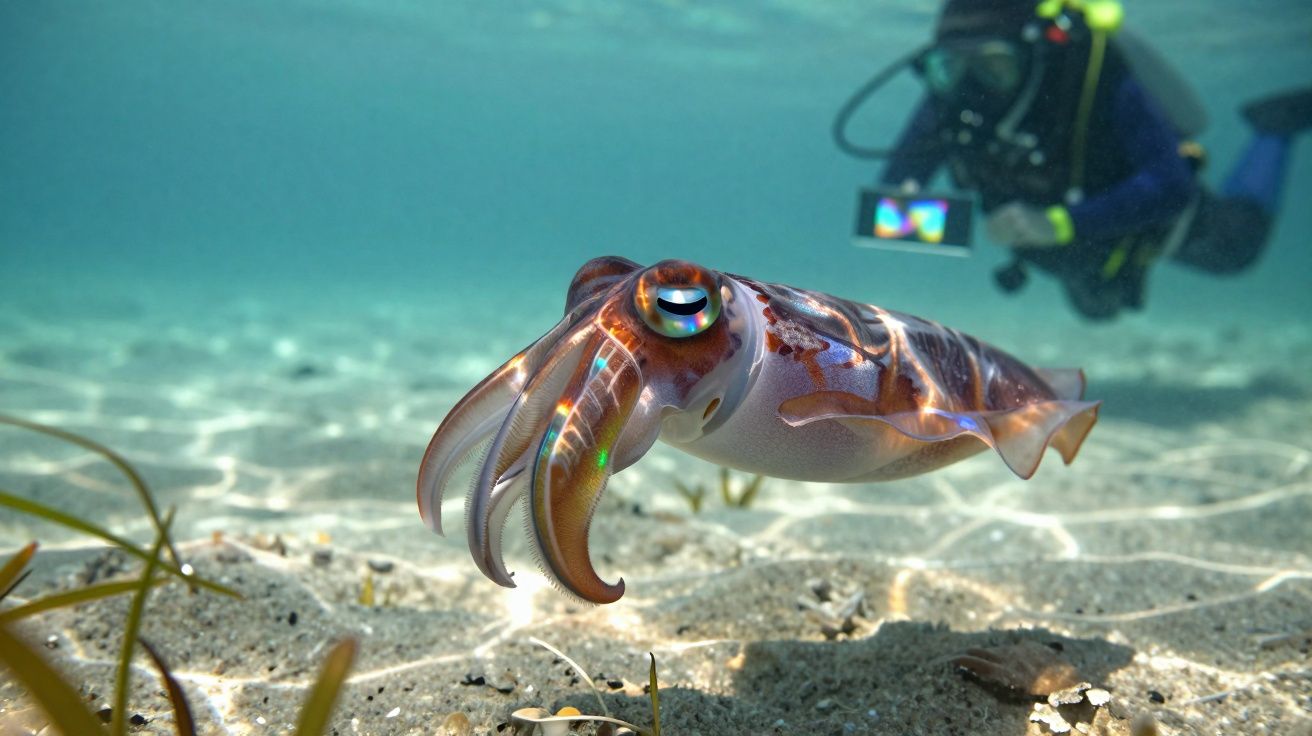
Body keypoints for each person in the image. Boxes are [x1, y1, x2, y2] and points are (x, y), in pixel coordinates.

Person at [877, 0, 1312, 320]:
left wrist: (1059, 225)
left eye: (994, 66)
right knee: (1094, 305)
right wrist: (925, 219)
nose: (974, 87)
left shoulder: (1092, 78)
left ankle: (1273, 129)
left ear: (1031, 56)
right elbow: (892, 198)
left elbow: (1171, 185)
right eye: (952, 65)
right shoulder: (950, 95)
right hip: (1060, 243)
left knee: (1237, 251)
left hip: (1143, 220)